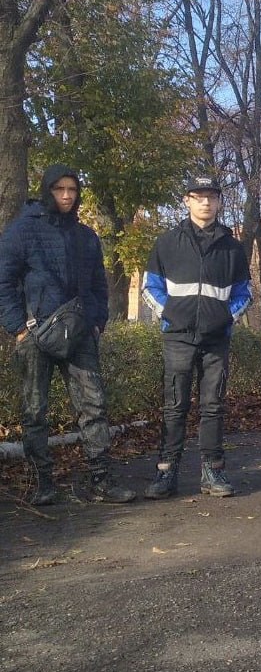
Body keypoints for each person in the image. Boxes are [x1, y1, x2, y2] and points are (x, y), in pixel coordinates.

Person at [0, 165, 136, 505]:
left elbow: (98, 284)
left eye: (72, 190)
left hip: (79, 333)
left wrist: (97, 322)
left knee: (94, 406)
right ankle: (42, 483)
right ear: (47, 190)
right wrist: (17, 327)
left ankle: (101, 480)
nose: (65, 195)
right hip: (34, 333)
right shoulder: (21, 231)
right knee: (34, 411)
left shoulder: (86, 235)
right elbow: (3, 281)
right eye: (59, 189)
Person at [142, 175, 252, 499]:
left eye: (211, 196)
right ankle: (166, 472)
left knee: (213, 406)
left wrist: (225, 316)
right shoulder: (167, 242)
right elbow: (151, 286)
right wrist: (170, 314)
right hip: (177, 336)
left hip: (217, 338)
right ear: (186, 200)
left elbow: (245, 293)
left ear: (219, 202)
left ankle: (212, 471)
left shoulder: (232, 247)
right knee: (174, 406)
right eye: (198, 196)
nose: (205, 202)